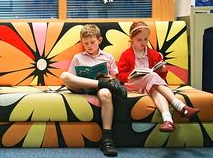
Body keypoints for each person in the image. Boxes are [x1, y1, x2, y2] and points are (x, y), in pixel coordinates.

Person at [116, 21, 200, 132]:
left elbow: (160, 78)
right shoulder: (126, 54)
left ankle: (168, 121)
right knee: (152, 76)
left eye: (146, 39)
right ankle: (180, 106)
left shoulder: (154, 54)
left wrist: (163, 70)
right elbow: (120, 75)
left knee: (156, 90)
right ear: (132, 39)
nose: (143, 43)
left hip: (150, 85)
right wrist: (133, 75)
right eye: (139, 40)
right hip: (133, 85)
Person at [60, 24, 127, 157]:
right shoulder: (78, 57)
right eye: (86, 43)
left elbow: (116, 78)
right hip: (81, 87)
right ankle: (101, 84)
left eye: (92, 42)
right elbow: (70, 77)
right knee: (64, 76)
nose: (89, 46)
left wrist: (110, 79)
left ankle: (107, 138)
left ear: (100, 40)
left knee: (106, 93)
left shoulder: (108, 57)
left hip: (100, 88)